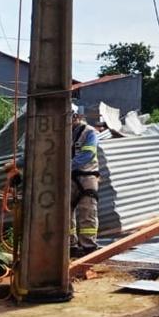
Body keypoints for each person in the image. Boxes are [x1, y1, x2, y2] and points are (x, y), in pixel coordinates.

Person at [70, 104, 101, 256]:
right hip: (68, 178)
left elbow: (86, 156)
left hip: (87, 177)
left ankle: (89, 247)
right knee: (65, 213)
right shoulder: (60, 132)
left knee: (88, 213)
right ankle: (71, 246)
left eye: (72, 117)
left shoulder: (89, 132)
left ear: (77, 116)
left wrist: (61, 168)